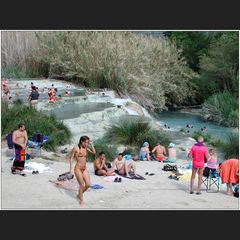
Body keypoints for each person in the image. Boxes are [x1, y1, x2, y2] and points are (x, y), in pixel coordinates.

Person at [69, 136, 96, 206]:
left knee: (88, 184)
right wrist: (70, 169)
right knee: (82, 185)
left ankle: (79, 194)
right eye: (86, 142)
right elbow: (71, 158)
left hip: (84, 168)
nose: (87, 144)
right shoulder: (76, 148)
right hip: (78, 168)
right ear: (82, 141)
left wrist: (91, 144)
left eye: (88, 142)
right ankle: (81, 200)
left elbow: (94, 152)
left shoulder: (86, 148)